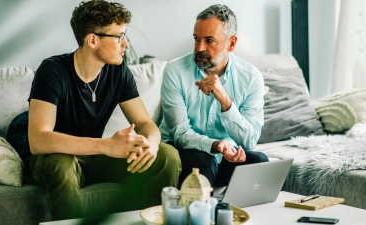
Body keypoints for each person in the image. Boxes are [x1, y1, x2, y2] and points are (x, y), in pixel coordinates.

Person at [26, 0, 181, 221]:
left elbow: (145, 123)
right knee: (61, 162)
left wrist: (152, 144)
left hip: (94, 158)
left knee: (167, 155)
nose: (125, 43)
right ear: (92, 40)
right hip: (54, 160)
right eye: (118, 37)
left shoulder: (118, 72)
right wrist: (106, 146)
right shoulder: (52, 71)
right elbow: (38, 140)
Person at [159, 4, 268, 189]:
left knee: (260, 161)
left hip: (223, 154)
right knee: (204, 160)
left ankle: (237, 215)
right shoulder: (175, 71)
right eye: (196, 39)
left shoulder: (251, 77)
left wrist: (225, 101)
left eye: (209, 40)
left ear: (231, 43)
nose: (200, 48)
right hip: (183, 152)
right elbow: (180, 134)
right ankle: (203, 215)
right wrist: (217, 145)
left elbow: (249, 140)